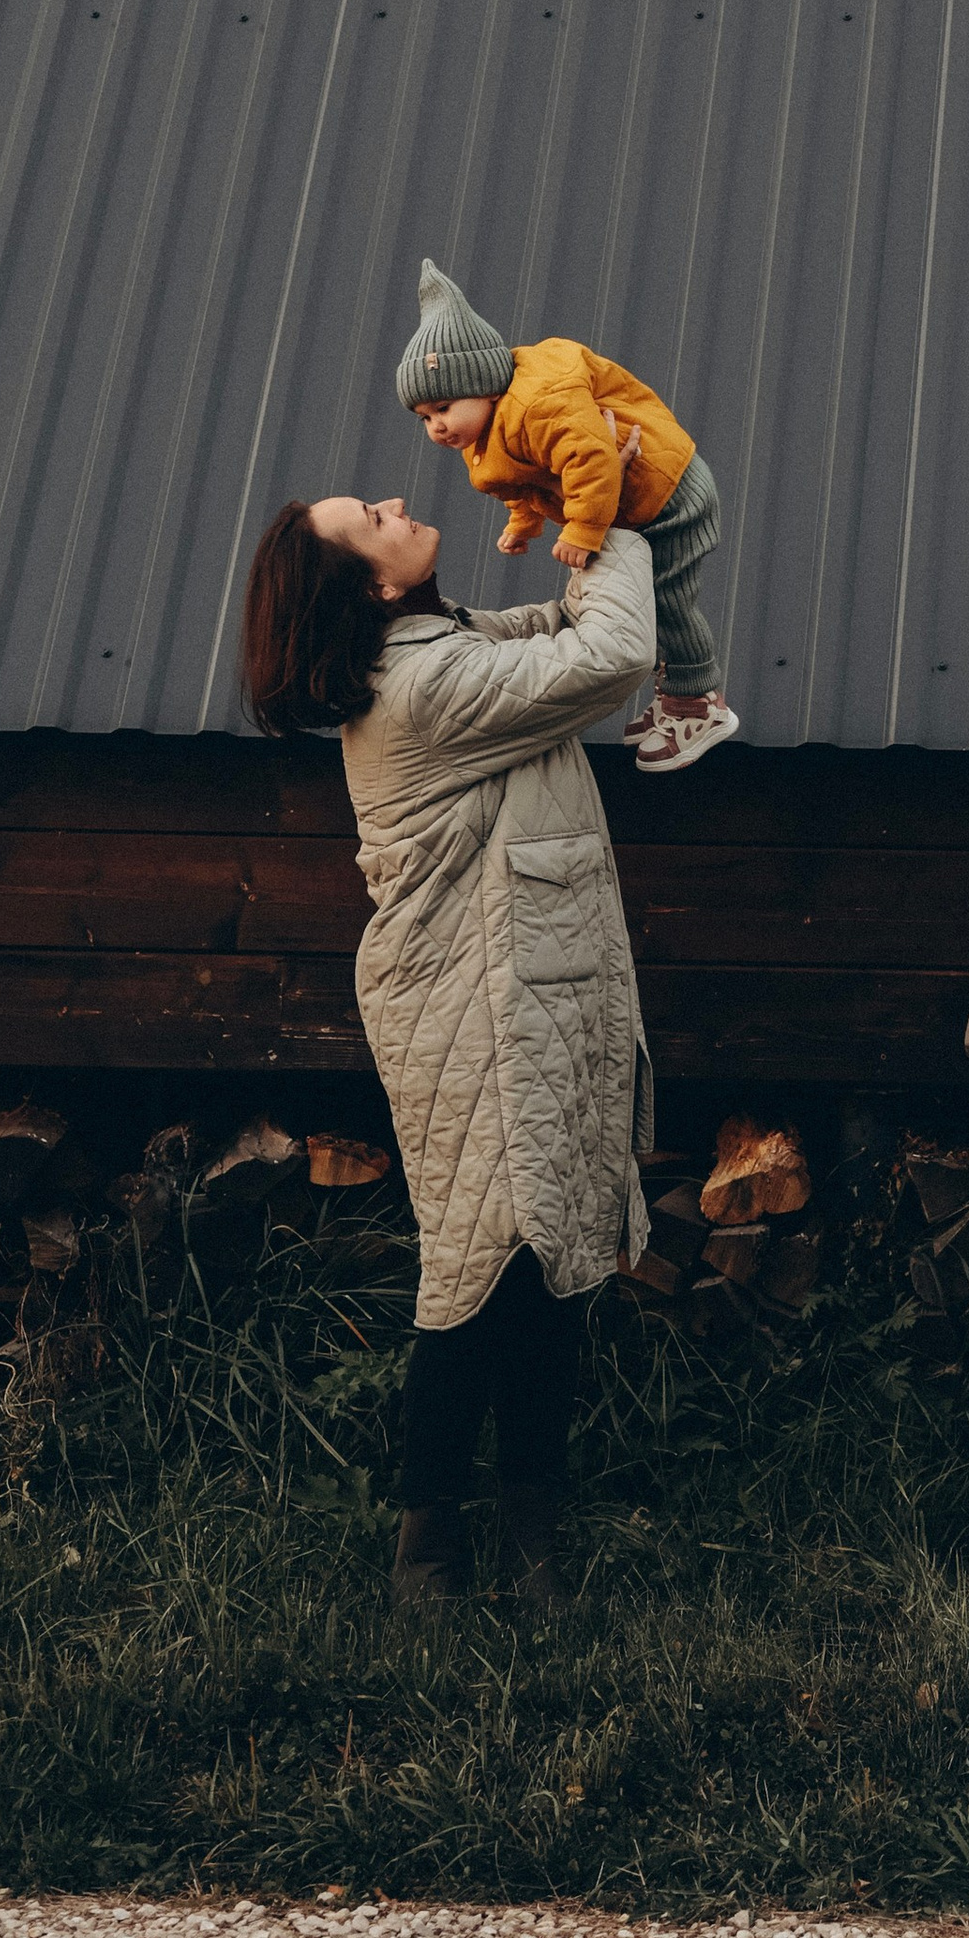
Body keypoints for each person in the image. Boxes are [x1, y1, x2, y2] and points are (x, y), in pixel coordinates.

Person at [239, 484, 660, 1613]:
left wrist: (573, 518)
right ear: (376, 585)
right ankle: (430, 1548)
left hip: (522, 1000)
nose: (391, 500)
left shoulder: (444, 645)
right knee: (477, 1271)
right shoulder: (427, 686)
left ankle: (531, 1540)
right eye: (368, 518)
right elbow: (610, 652)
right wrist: (612, 515)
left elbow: (558, 632)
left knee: (547, 1265)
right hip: (474, 1006)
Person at [398, 257, 736, 771]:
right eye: (424, 418)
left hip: (667, 493)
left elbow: (594, 459)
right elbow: (517, 480)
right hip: (628, 502)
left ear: (486, 383)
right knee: (647, 598)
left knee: (667, 599)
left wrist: (582, 527)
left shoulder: (540, 404)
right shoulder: (483, 432)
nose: (436, 427)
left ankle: (698, 702)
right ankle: (674, 695)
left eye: (443, 408)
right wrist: (522, 524)